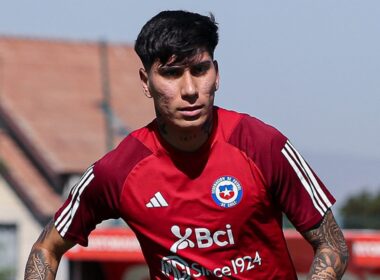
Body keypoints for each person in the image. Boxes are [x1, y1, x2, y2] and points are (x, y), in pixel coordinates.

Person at [24, 10, 349, 280]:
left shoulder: (262, 145)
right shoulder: (117, 171)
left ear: (216, 75)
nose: (190, 89)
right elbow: (46, 249)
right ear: (146, 82)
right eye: (172, 73)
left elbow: (332, 245)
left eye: (200, 70)